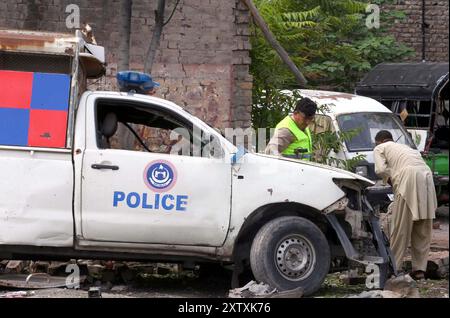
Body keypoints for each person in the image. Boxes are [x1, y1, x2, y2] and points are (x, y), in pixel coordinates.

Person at [373, 130, 437, 280]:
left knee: (401, 226)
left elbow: (380, 169)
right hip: (427, 176)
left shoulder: (380, 147)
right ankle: (420, 270)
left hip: (408, 178)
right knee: (422, 226)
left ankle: (394, 267)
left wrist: (391, 179)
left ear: (379, 141)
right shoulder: (405, 148)